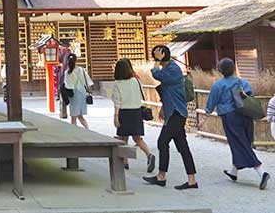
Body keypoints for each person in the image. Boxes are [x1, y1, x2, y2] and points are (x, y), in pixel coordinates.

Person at [205, 58, 269, 190]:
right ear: (233, 68)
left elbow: (212, 102)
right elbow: (249, 96)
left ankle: (261, 172)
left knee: (239, 143)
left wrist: (205, 115)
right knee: (242, 141)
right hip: (246, 115)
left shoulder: (218, 85)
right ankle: (234, 172)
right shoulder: (243, 82)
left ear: (220, 70)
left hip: (230, 117)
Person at [143, 44, 198, 190]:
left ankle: (161, 177)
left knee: (162, 142)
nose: (156, 58)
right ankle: (192, 180)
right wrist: (162, 108)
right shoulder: (169, 69)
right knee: (182, 146)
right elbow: (169, 93)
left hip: (177, 113)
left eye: (157, 55)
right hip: (173, 112)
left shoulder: (173, 70)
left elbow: (155, 74)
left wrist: (157, 61)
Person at [112, 59, 155, 172]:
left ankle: (124, 163)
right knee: (137, 138)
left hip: (124, 112)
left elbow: (117, 101)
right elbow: (142, 95)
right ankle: (149, 155)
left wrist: (116, 116)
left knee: (123, 139)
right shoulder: (136, 81)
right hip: (136, 112)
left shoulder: (117, 83)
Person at [63, 54, 91, 129]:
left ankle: (74, 131)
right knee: (80, 115)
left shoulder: (67, 72)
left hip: (73, 94)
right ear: (76, 61)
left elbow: (67, 85)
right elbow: (88, 82)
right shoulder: (81, 70)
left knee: (73, 116)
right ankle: (87, 129)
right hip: (81, 93)